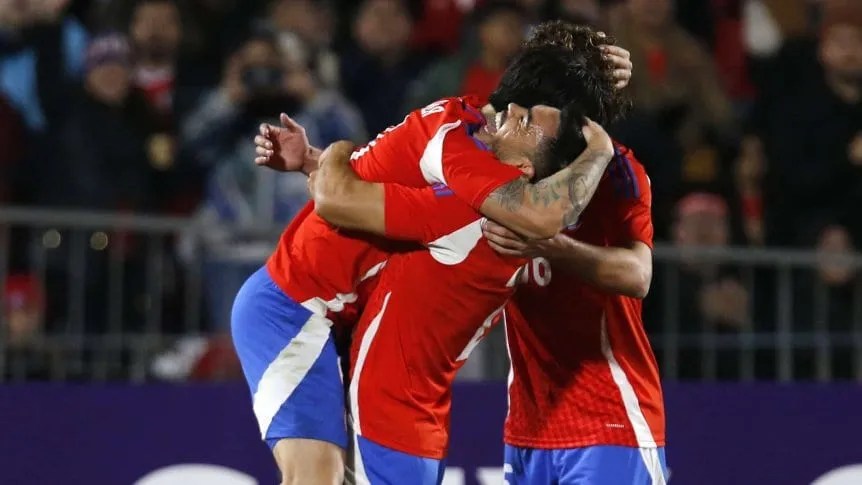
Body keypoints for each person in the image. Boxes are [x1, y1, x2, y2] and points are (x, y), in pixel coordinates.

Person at [237, 26, 632, 484]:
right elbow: (335, 199)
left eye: (527, 119)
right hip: (293, 306)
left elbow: (356, 187)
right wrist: (598, 145)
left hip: (347, 336)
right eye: (518, 112)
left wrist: (324, 158)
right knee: (313, 478)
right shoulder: (463, 168)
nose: (513, 117)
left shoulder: (465, 170)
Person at [478, 23, 666, 484]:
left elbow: (637, 274)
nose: (519, 119)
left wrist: (549, 244)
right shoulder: (493, 167)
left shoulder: (617, 171)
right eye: (515, 110)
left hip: (609, 419)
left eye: (535, 109)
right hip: (527, 429)